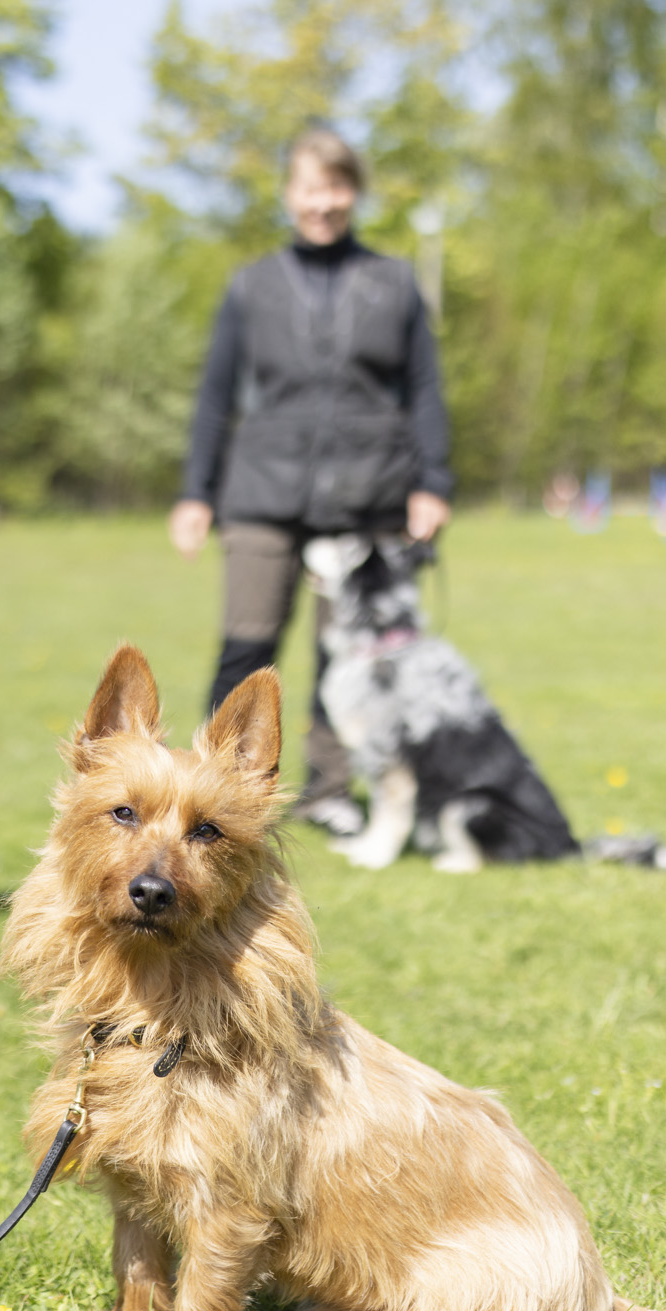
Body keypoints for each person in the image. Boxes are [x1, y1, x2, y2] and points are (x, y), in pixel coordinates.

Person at [169, 126, 454, 834]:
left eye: (335, 187)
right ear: (289, 194)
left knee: (346, 655)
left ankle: (330, 792)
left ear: (353, 192)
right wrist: (197, 491)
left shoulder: (395, 283)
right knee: (246, 647)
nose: (322, 203)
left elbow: (425, 390)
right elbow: (216, 396)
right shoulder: (252, 285)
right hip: (262, 493)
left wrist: (433, 481)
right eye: (308, 188)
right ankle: (212, 797)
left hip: (369, 496)